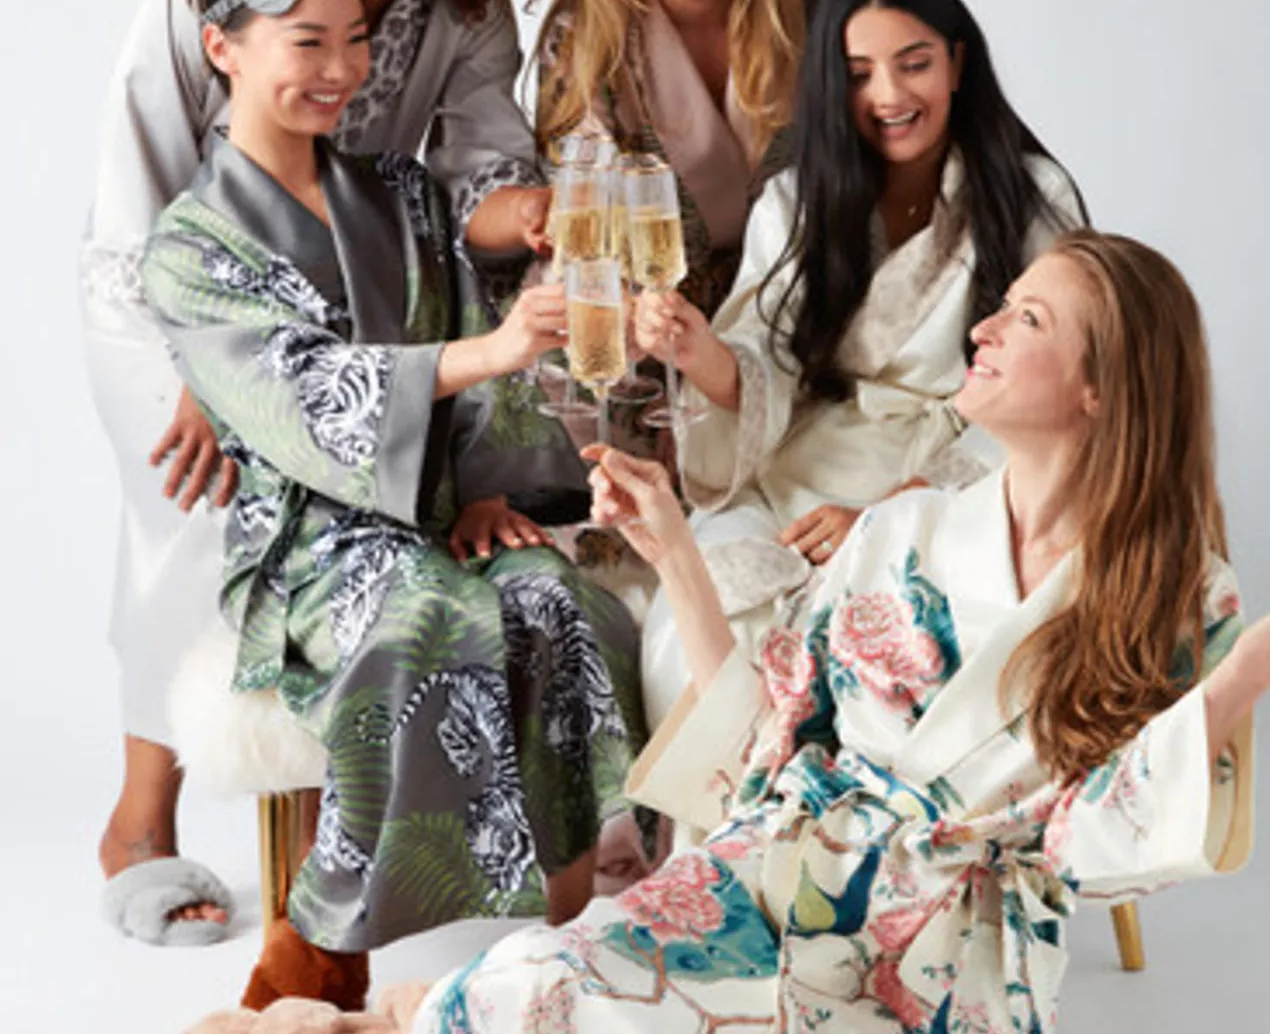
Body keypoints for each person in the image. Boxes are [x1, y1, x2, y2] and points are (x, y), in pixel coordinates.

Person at [405, 229, 1262, 1033]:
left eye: (1028, 319)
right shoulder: (905, 530)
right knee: (533, 978)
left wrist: (1250, 669)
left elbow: (1106, 844)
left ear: (1102, 386)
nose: (984, 330)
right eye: (1000, 306)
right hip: (770, 879)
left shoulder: (1174, 595)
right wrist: (671, 550)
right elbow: (765, 746)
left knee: (555, 1003)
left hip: (938, 958)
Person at [82, 0, 556, 942]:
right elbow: (138, 182)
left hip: (378, 300)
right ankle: (141, 822)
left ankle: (403, 845)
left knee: (415, 537)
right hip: (195, 301)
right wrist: (206, 368)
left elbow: (479, 175)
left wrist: (536, 213)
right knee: (200, 505)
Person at [140, 0, 644, 1010]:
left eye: (356, 40)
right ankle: (320, 939)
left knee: (559, 601)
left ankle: (566, 937)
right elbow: (302, 396)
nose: (340, 69)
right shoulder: (188, 245)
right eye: (306, 42)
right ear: (225, 47)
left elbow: (467, 332)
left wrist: (488, 490)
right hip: (308, 546)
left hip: (436, 505)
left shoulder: (402, 193)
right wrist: (494, 351)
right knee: (428, 614)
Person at [635, 0, 1087, 729]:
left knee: (875, 647)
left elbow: (1060, 387)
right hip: (796, 470)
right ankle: (722, 809)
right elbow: (764, 358)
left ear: (957, 64)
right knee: (696, 619)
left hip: (961, 482)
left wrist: (893, 514)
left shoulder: (1031, 196)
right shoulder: (796, 201)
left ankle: (833, 802)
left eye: (914, 64)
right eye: (858, 74)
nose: (889, 96)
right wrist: (698, 352)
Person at [535, 0, 822, 350]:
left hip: (791, 325)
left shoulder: (813, 5)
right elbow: (583, 235)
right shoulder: (584, 41)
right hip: (635, 336)